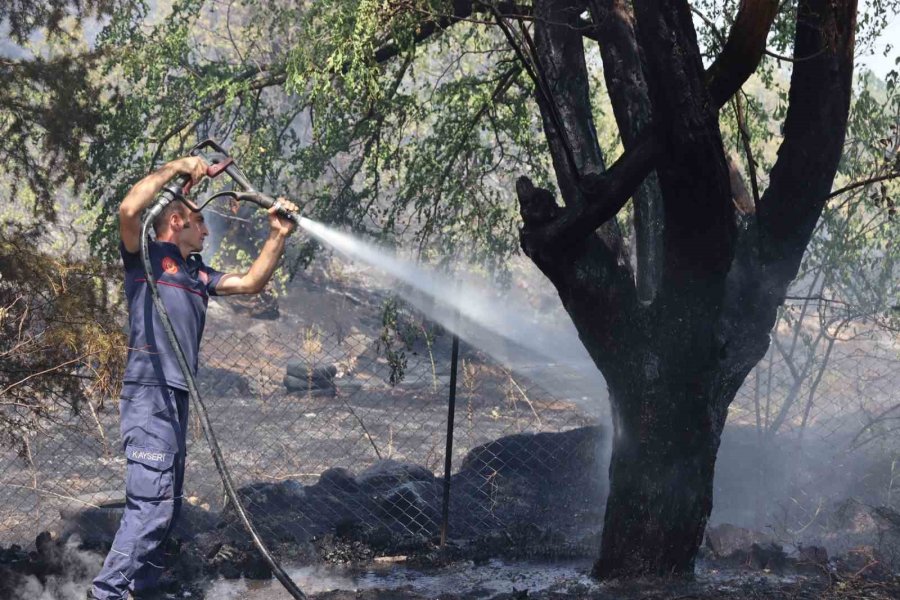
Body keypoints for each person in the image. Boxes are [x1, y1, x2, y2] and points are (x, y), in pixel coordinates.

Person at [90, 156, 298, 600]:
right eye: (200, 223)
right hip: (150, 394)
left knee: (168, 506)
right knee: (150, 506)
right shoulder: (145, 257)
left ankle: (142, 590)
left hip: (177, 395)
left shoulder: (196, 272)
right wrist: (178, 166)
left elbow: (251, 283)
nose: (206, 232)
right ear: (177, 220)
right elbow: (129, 210)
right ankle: (106, 593)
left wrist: (278, 235)